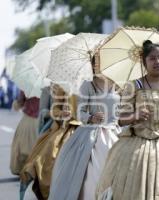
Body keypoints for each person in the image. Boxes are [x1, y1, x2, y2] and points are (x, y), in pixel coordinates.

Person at [96, 40, 159, 200]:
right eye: (152, 58)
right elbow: (120, 120)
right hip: (139, 145)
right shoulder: (134, 85)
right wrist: (135, 116)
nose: (157, 62)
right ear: (144, 62)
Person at [48, 54, 121, 200]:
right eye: (98, 62)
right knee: (93, 175)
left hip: (116, 133)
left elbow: (122, 110)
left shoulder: (119, 84)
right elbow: (80, 112)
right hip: (93, 135)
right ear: (93, 66)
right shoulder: (87, 85)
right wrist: (91, 118)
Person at [19, 84, 81, 200]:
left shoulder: (95, 86)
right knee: (48, 151)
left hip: (88, 129)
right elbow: (52, 110)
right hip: (63, 127)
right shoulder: (60, 86)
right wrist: (62, 113)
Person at [10, 90, 39, 175]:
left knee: (22, 148)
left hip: (28, 121)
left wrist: (16, 102)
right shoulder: (48, 85)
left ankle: (24, 170)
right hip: (42, 122)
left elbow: (18, 105)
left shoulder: (28, 86)